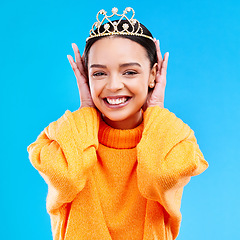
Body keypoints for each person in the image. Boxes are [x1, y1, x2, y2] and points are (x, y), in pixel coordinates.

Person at [28, 7, 208, 240]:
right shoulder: (63, 137)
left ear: (154, 74)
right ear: (86, 76)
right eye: (99, 74)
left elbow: (156, 176)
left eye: (130, 72)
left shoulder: (175, 141)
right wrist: (86, 108)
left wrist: (156, 109)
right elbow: (67, 178)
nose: (113, 85)